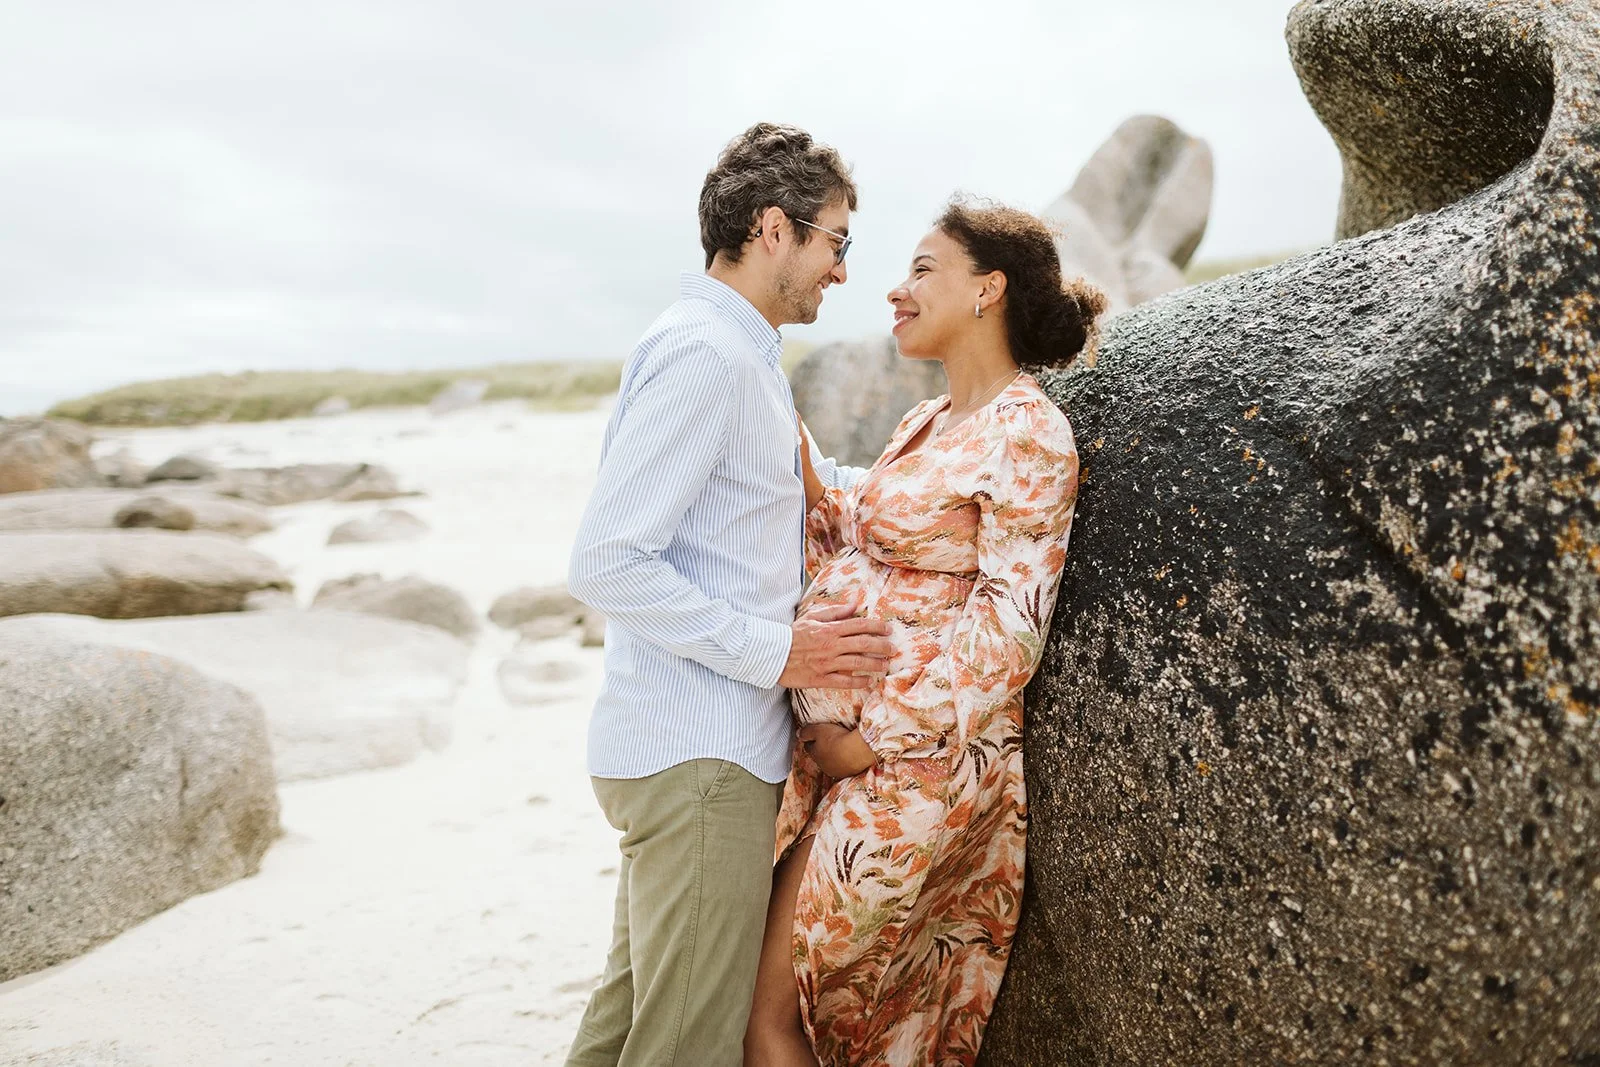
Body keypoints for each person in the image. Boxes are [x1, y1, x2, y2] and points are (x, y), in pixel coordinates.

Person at [743, 200, 1106, 1067]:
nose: (895, 291)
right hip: (844, 763)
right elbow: (858, 539)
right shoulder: (924, 422)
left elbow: (1009, 627)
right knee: (818, 1022)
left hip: (916, 774)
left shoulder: (1028, 430)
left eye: (920, 270)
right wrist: (759, 400)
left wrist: (869, 742)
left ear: (988, 288)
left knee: (777, 1015)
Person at [563, 122, 895, 1067]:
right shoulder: (707, 355)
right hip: (698, 757)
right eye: (836, 240)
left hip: (680, 750)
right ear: (772, 228)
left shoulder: (735, 354)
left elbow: (820, 488)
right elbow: (606, 561)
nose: (842, 270)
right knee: (686, 1047)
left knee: (628, 1025)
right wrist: (779, 651)